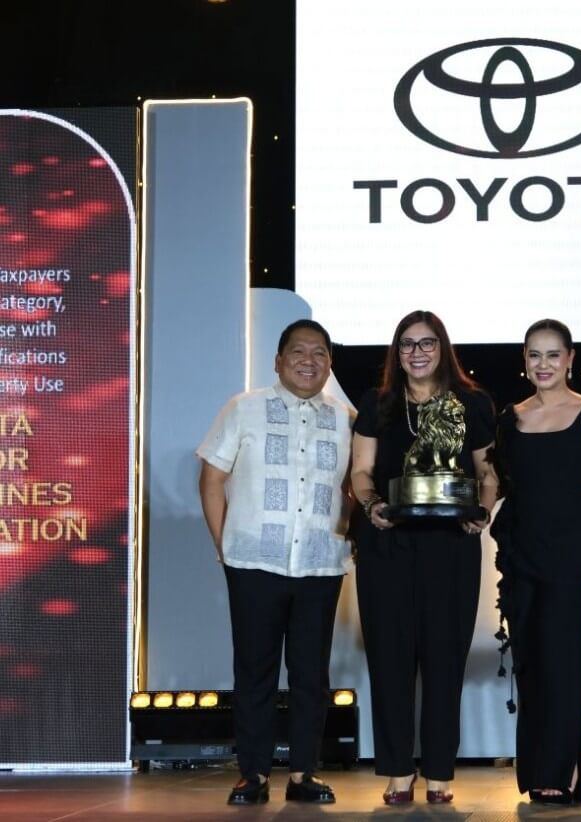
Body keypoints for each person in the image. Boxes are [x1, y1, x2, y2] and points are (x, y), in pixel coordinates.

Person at [198, 319, 353, 806]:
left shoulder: (347, 418)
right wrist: (224, 546)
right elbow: (211, 478)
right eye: (299, 352)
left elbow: (355, 487)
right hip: (253, 563)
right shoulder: (244, 409)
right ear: (278, 361)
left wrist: (345, 535)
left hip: (319, 564)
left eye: (320, 353)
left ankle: (304, 773)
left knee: (311, 673)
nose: (310, 361)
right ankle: (254, 773)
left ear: (329, 363)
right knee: (255, 670)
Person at [350, 310, 498, 806]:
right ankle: (396, 770)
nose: (417, 353)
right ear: (397, 352)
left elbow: (488, 470)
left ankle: (439, 771)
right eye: (407, 344)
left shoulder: (471, 404)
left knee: (443, 658)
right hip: (387, 544)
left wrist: (484, 508)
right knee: (390, 659)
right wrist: (371, 506)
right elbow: (362, 471)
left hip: (450, 546)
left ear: (443, 348)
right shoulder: (378, 404)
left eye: (427, 343)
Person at [492, 319, 581, 805]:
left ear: (570, 359)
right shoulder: (511, 417)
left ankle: (566, 772)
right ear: (524, 361)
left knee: (565, 660)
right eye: (533, 355)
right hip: (521, 549)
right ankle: (537, 770)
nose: (542, 365)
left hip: (572, 550)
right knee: (530, 663)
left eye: (552, 355)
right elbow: (497, 482)